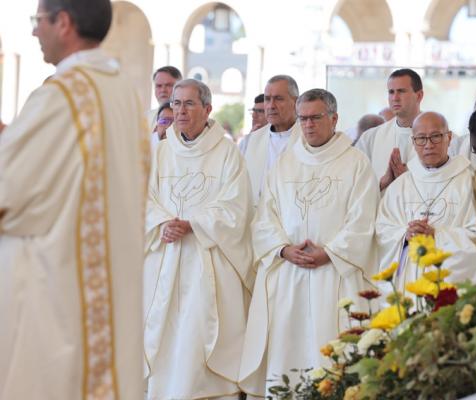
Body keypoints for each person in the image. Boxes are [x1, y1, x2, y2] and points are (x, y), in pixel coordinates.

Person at [0, 0, 148, 398]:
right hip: (109, 283)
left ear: (63, 22)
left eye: (38, 21)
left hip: (57, 283)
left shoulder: (62, 95)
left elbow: (7, 189)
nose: (35, 32)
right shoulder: (124, 93)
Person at [239, 89, 379, 397]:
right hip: (289, 274)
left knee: (328, 348)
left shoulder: (356, 163)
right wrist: (283, 249)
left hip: (334, 274)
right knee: (287, 349)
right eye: (303, 119)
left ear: (334, 118)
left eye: (316, 118)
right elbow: (264, 217)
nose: (309, 125)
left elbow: (363, 219)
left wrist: (330, 253)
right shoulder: (285, 164)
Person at [143, 79, 254, 400]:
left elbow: (237, 206)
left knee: (198, 331)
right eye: (176, 103)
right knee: (164, 333)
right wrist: (163, 223)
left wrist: (193, 224)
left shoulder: (228, 153)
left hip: (209, 258)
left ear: (207, 109)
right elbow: (144, 197)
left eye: (189, 104)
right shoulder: (161, 151)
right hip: (165, 255)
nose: (180, 111)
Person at [376, 112, 476, 295]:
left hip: (450, 285)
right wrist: (404, 235)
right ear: (413, 142)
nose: (428, 145)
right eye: (421, 138)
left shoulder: (471, 183)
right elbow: (382, 230)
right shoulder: (400, 185)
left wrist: (437, 235)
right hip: (408, 284)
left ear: (449, 138)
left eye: (435, 136)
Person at [355, 69, 424, 191]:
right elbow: (354, 185)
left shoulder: (440, 138)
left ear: (419, 96)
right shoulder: (370, 138)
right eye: (391, 92)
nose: (395, 98)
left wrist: (408, 180)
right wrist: (382, 183)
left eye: (401, 91)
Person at [243, 75, 302, 205]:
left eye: (278, 99)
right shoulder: (252, 139)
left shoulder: (307, 139)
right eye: (267, 99)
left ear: (296, 102)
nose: (271, 105)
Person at [147, 66, 182, 141]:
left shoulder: (190, 115)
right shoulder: (145, 118)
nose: (163, 90)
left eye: (168, 85)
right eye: (158, 86)